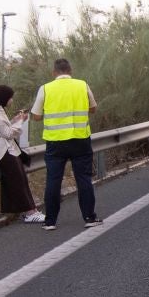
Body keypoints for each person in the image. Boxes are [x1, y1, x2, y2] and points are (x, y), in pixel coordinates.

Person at [29, 58, 102, 229]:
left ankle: (50, 221)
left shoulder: (45, 88)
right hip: (80, 139)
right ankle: (89, 218)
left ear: (54, 73)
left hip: (55, 142)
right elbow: (93, 108)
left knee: (53, 180)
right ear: (71, 71)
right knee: (83, 178)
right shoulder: (82, 85)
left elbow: (37, 116)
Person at [0, 85, 42, 223]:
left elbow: (4, 128)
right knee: (18, 181)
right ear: (3, 98)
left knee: (18, 180)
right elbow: (8, 133)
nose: (12, 100)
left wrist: (15, 120)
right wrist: (20, 121)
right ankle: (30, 213)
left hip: (8, 150)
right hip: (3, 151)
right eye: (10, 97)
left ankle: (26, 211)